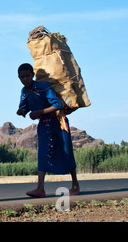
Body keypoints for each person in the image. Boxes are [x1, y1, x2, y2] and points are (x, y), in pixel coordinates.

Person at [16, 63, 80, 198]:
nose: (25, 79)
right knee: (43, 153)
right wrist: (22, 111)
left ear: (33, 75)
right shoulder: (24, 91)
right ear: (19, 78)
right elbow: (25, 106)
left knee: (66, 151)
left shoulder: (43, 86)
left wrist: (38, 112)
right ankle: (40, 188)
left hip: (58, 122)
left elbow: (57, 105)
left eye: (28, 76)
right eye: (22, 77)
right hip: (44, 124)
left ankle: (75, 185)